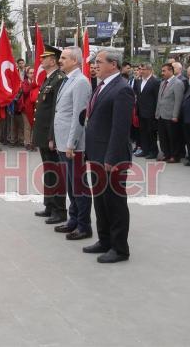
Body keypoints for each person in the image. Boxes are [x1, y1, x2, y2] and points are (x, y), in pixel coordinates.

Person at [82, 48, 134, 264]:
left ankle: (120, 248)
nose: (95, 65)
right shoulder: (102, 86)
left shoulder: (122, 89)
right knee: (100, 200)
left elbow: (120, 129)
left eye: (99, 61)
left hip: (111, 158)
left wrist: (111, 159)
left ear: (113, 64)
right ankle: (104, 240)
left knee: (115, 202)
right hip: (96, 154)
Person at [52, 47, 92, 240]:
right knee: (70, 185)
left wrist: (71, 144)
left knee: (79, 187)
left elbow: (78, 116)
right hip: (62, 142)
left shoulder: (81, 82)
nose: (60, 61)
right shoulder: (68, 79)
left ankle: (84, 226)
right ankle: (73, 220)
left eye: (64, 58)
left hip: (73, 145)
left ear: (75, 61)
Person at [31, 47, 67, 224]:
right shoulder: (49, 78)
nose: (41, 60)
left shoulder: (59, 79)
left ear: (53, 61)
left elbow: (55, 110)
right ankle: (49, 205)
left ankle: (59, 210)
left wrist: (52, 136)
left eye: (44, 57)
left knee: (55, 172)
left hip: (50, 134)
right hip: (43, 133)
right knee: (49, 170)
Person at [155, 63, 184, 163]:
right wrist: (157, 112)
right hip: (161, 115)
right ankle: (166, 154)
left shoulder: (178, 83)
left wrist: (175, 115)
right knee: (163, 137)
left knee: (173, 137)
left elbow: (178, 101)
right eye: (162, 71)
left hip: (171, 115)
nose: (162, 73)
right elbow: (160, 99)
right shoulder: (163, 83)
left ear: (171, 71)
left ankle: (174, 155)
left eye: (164, 71)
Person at [134, 63, 160, 159]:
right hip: (141, 112)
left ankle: (153, 151)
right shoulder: (138, 82)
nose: (141, 71)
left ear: (149, 70)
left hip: (151, 113)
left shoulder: (155, 82)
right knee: (143, 132)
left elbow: (157, 98)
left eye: (143, 69)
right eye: (140, 69)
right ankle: (145, 150)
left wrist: (156, 113)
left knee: (151, 133)